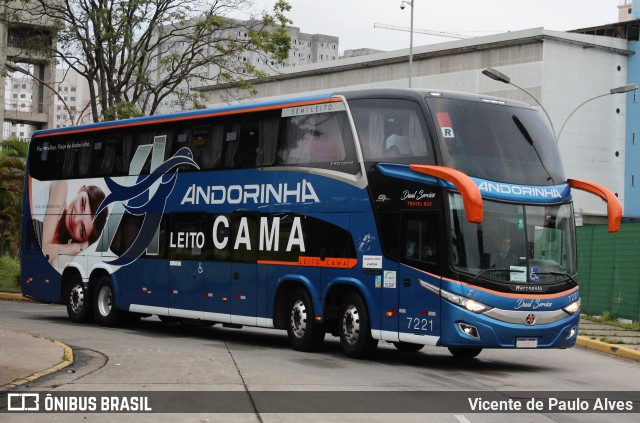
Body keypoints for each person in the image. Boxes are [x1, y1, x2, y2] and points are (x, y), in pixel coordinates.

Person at [37, 181, 108, 267]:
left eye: (82, 229)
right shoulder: (61, 186)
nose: (75, 220)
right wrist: (77, 247)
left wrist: (79, 248)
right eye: (82, 205)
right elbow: (44, 252)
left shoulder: (65, 251)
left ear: (83, 240)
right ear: (82, 189)